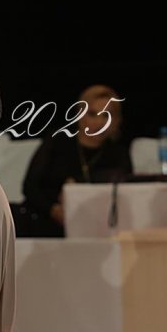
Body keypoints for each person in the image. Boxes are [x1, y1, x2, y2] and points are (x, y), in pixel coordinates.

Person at [13, 84, 132, 237]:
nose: (99, 122)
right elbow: (30, 186)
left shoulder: (118, 153)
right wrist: (53, 210)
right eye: (92, 114)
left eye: (106, 116)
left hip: (98, 225)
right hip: (45, 220)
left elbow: (124, 193)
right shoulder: (58, 141)